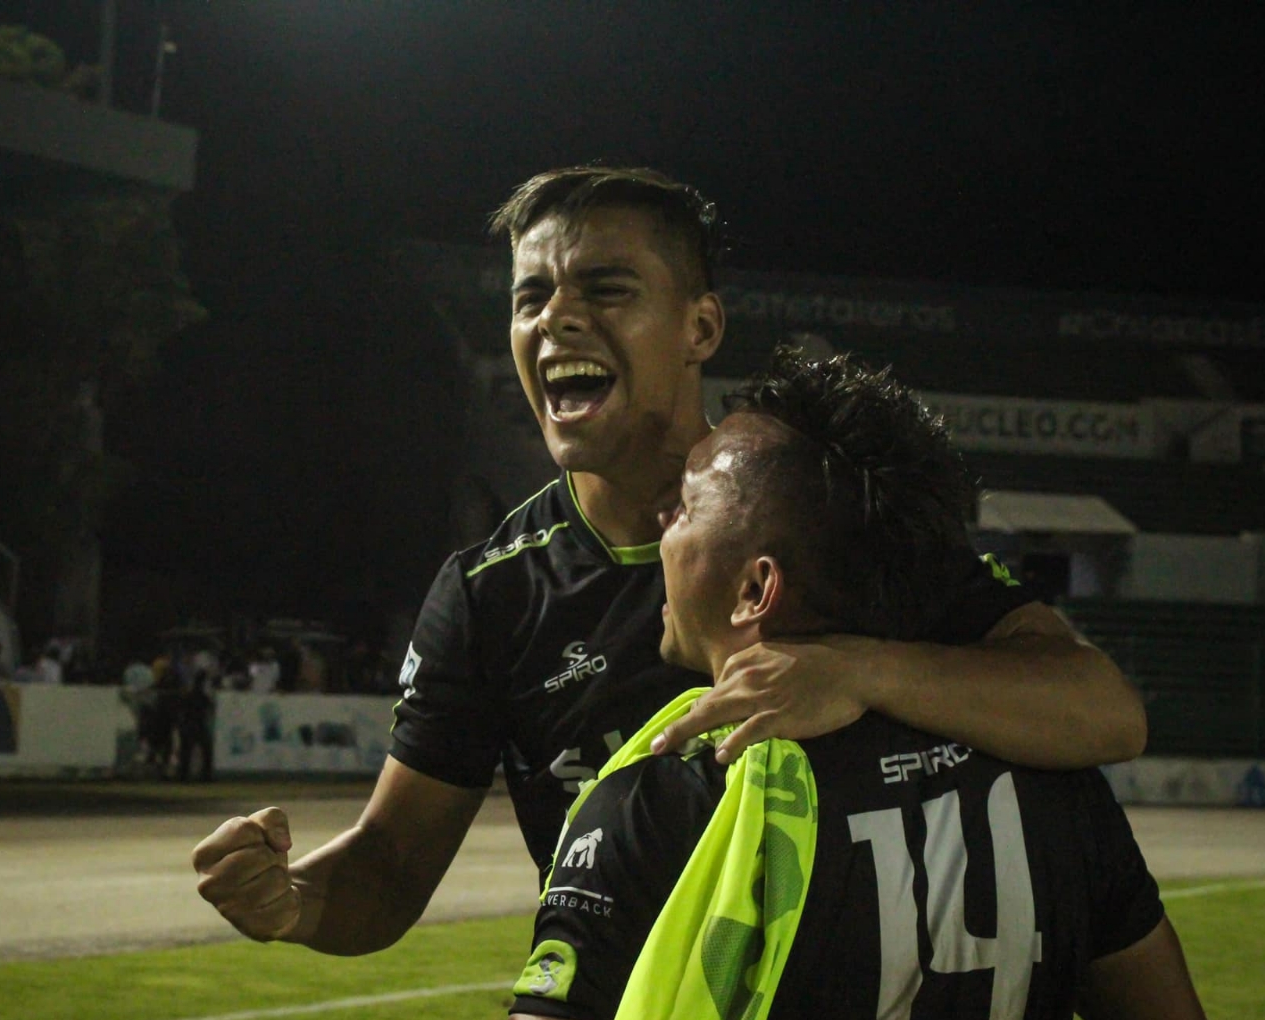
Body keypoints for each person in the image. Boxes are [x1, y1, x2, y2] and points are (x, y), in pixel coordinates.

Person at [192, 166, 1146, 958]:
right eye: (531, 296)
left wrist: (859, 667)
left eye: (605, 288)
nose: (555, 318)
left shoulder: (819, 508)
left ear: (701, 327)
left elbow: (1102, 706)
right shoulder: (491, 592)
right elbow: (390, 868)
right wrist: (295, 901)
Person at [491, 351, 1215, 1020]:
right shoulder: (1056, 782)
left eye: (682, 507)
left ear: (755, 589)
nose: (660, 515)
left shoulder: (660, 798)